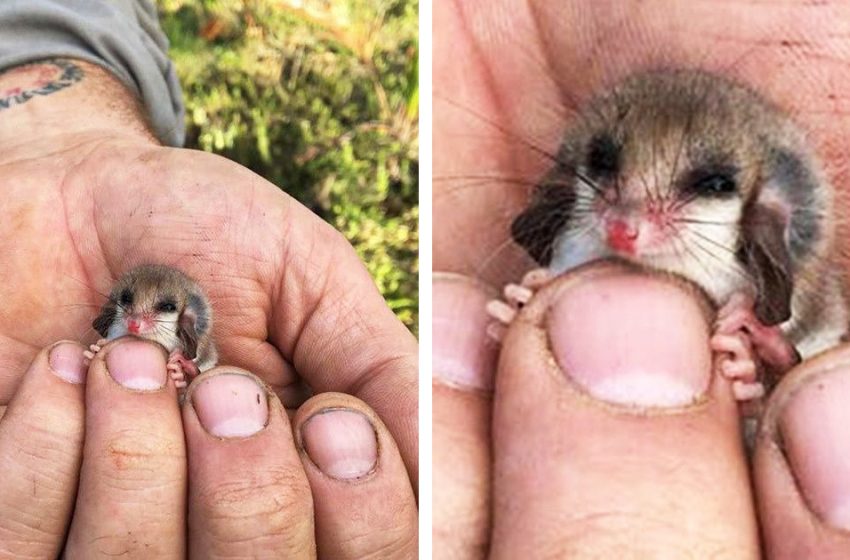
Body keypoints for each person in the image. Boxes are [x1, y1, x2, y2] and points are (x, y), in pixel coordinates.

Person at [0, 1, 417, 557]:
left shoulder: (193, 343)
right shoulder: (119, 323)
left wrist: (61, 135)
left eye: (160, 312)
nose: (141, 320)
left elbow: (204, 366)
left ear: (187, 316)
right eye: (129, 305)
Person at [434, 1, 850, 557]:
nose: (626, 224)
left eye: (708, 185)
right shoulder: (580, 232)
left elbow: (803, 335)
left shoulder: (772, 268)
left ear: (765, 209)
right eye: (607, 166)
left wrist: (767, 356)